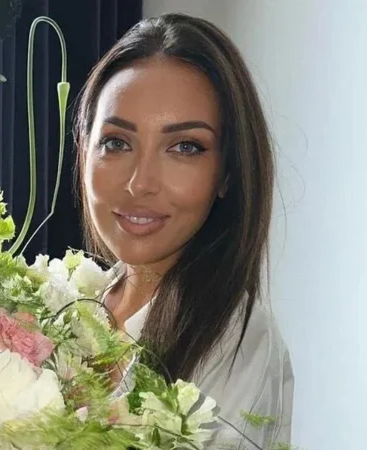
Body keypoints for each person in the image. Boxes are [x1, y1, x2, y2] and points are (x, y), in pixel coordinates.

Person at [73, 13, 294, 448]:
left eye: (185, 147)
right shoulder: (67, 308)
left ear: (227, 173)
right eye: (116, 142)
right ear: (84, 151)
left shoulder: (240, 342)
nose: (140, 183)